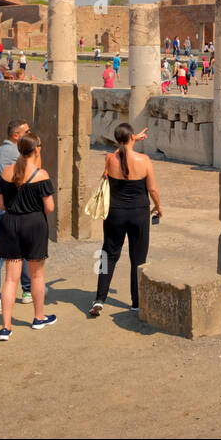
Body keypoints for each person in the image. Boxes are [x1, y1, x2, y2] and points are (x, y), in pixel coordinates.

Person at [90, 123, 162, 317]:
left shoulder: (110, 158)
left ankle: (99, 299)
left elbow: (116, 156)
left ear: (117, 140)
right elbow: (152, 189)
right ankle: (136, 302)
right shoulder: (144, 160)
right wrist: (158, 206)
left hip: (115, 213)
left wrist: (129, 140)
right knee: (138, 258)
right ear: (131, 138)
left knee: (108, 255)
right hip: (139, 213)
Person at [0, 131, 56, 339]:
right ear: (36, 150)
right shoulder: (41, 174)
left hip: (10, 223)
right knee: (37, 275)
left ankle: (5, 327)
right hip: (34, 224)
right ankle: (38, 317)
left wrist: (14, 209)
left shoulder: (6, 172)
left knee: (11, 279)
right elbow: (49, 207)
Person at [0, 119, 32, 314]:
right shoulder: (18, 155)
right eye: (26, 132)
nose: (30, 134)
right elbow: (24, 182)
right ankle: (27, 290)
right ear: (16, 135)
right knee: (24, 250)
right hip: (15, 211)